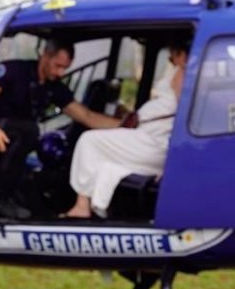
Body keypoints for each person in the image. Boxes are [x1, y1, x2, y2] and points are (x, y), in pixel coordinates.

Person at [0, 39, 121, 219]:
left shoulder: (54, 86)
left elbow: (86, 116)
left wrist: (125, 125)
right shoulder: (13, 70)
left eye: (65, 68)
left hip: (17, 143)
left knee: (38, 200)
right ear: (45, 55)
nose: (60, 72)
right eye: (58, 66)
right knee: (30, 131)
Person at [63, 42, 188, 218]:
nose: (171, 60)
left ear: (182, 54)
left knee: (89, 140)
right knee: (106, 165)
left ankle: (82, 204)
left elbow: (185, 114)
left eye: (173, 55)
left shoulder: (183, 73)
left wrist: (174, 161)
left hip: (156, 143)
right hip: (148, 137)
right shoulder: (180, 72)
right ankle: (99, 209)